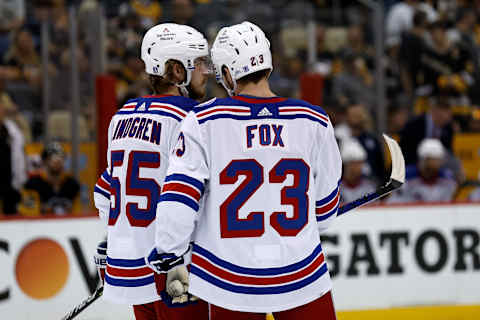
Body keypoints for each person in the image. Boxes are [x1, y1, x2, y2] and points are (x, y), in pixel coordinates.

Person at [145, 21, 341, 320]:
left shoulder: (203, 121)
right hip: (303, 274)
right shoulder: (313, 119)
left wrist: (169, 250)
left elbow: (180, 198)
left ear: (226, 72)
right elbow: (325, 213)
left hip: (230, 280)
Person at [93, 23, 210, 320]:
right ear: (176, 70)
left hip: (131, 268)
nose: (205, 72)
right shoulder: (193, 118)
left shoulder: (121, 117)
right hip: (177, 269)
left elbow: (105, 194)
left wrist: (114, 240)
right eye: (197, 63)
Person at [388, 138, 457, 203]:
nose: (439, 162)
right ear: (424, 160)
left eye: (439, 159)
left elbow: (447, 204)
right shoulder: (405, 177)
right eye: (435, 159)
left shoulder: (447, 179)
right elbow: (394, 202)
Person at [21, 142, 78, 215]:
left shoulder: (72, 185)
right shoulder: (32, 185)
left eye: (61, 157)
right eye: (51, 158)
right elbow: (29, 214)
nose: (57, 161)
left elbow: (80, 213)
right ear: (44, 161)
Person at [339, 139, 376, 204]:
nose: (357, 167)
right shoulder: (337, 189)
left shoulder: (369, 188)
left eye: (360, 163)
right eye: (353, 163)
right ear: (345, 165)